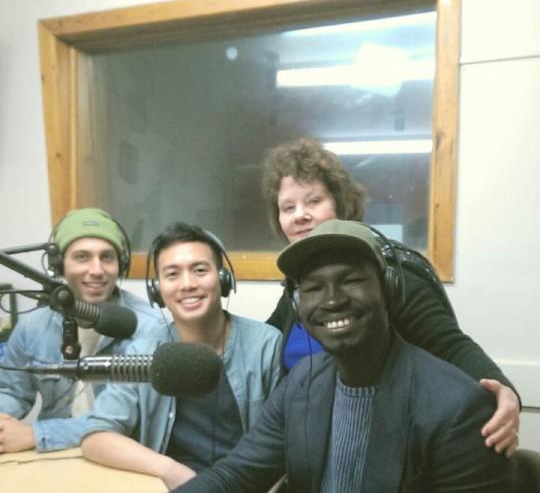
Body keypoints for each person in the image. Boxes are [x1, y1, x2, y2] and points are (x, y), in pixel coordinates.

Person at [173, 219, 511, 492]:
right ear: (298, 304)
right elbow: (236, 474)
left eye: (351, 280)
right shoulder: (301, 385)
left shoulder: (457, 410)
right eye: (314, 288)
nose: (332, 300)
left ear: (389, 290)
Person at [260, 137, 520, 457]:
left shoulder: (392, 273)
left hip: (389, 449)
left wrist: (504, 391)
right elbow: (265, 339)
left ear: (340, 204)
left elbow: (450, 346)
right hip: (311, 447)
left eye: (313, 201)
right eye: (288, 207)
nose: (300, 215)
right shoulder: (298, 287)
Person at [81, 222, 282, 490]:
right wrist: (170, 470)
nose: (187, 284)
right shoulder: (145, 351)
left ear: (223, 279)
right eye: (172, 274)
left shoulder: (265, 345)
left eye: (200, 270)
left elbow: (282, 444)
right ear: (157, 290)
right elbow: (96, 437)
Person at [0, 208, 162, 453]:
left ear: (121, 265)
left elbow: (121, 418)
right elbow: (13, 391)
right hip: (51, 455)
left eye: (107, 257)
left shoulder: (150, 326)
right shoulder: (32, 327)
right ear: (59, 266)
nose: (96, 270)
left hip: (120, 455)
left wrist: (36, 434)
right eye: (82, 257)